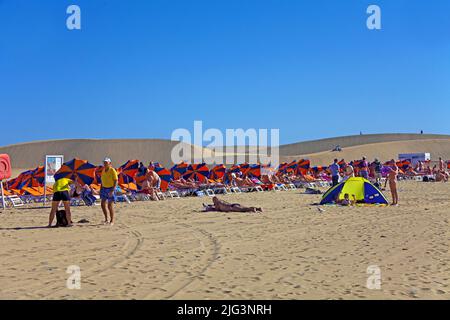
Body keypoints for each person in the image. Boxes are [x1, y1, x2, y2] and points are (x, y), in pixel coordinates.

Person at [100, 157, 118, 225]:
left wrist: (112, 190)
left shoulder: (112, 170)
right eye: (104, 163)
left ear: (110, 163)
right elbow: (102, 180)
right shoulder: (103, 170)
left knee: (110, 206)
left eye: (106, 163)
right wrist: (101, 189)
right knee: (102, 204)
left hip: (111, 189)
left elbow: (116, 180)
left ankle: (112, 221)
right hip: (104, 189)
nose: (105, 164)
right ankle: (106, 219)